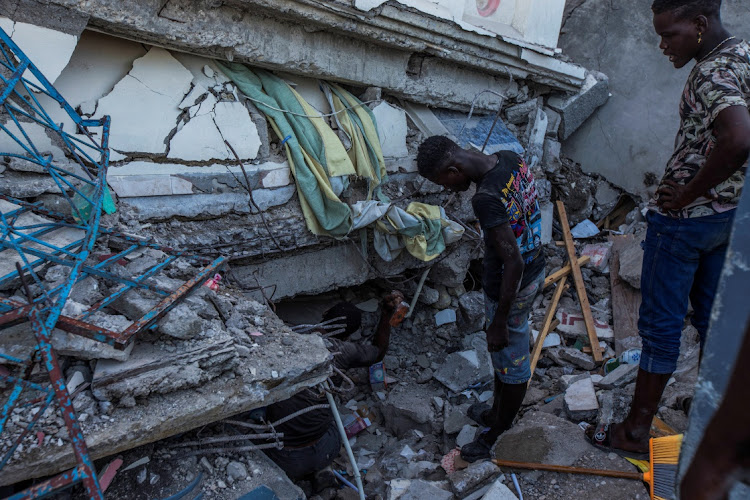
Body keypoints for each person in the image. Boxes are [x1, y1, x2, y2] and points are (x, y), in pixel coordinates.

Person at [590, 0, 750, 455]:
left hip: (686, 223)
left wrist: (685, 194)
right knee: (713, 322)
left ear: (699, 25)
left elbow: (738, 138)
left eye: (669, 35)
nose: (662, 46)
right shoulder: (744, 55)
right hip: (728, 217)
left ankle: (636, 431)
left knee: (661, 328)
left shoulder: (710, 73)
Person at [416, 137, 545, 462]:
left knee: (512, 361)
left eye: (442, 181)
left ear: (453, 169)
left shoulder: (485, 198)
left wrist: (498, 321)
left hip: (512, 287)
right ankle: (495, 414)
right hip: (533, 270)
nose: (447, 187)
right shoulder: (509, 158)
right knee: (503, 357)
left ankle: (497, 435)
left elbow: (512, 261)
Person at [259, 291, 404, 481]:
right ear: (350, 333)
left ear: (325, 316)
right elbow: (378, 352)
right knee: (330, 414)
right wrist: (386, 315)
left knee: (258, 414)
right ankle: (321, 471)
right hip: (326, 448)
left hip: (285, 458)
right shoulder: (344, 351)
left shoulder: (288, 342)